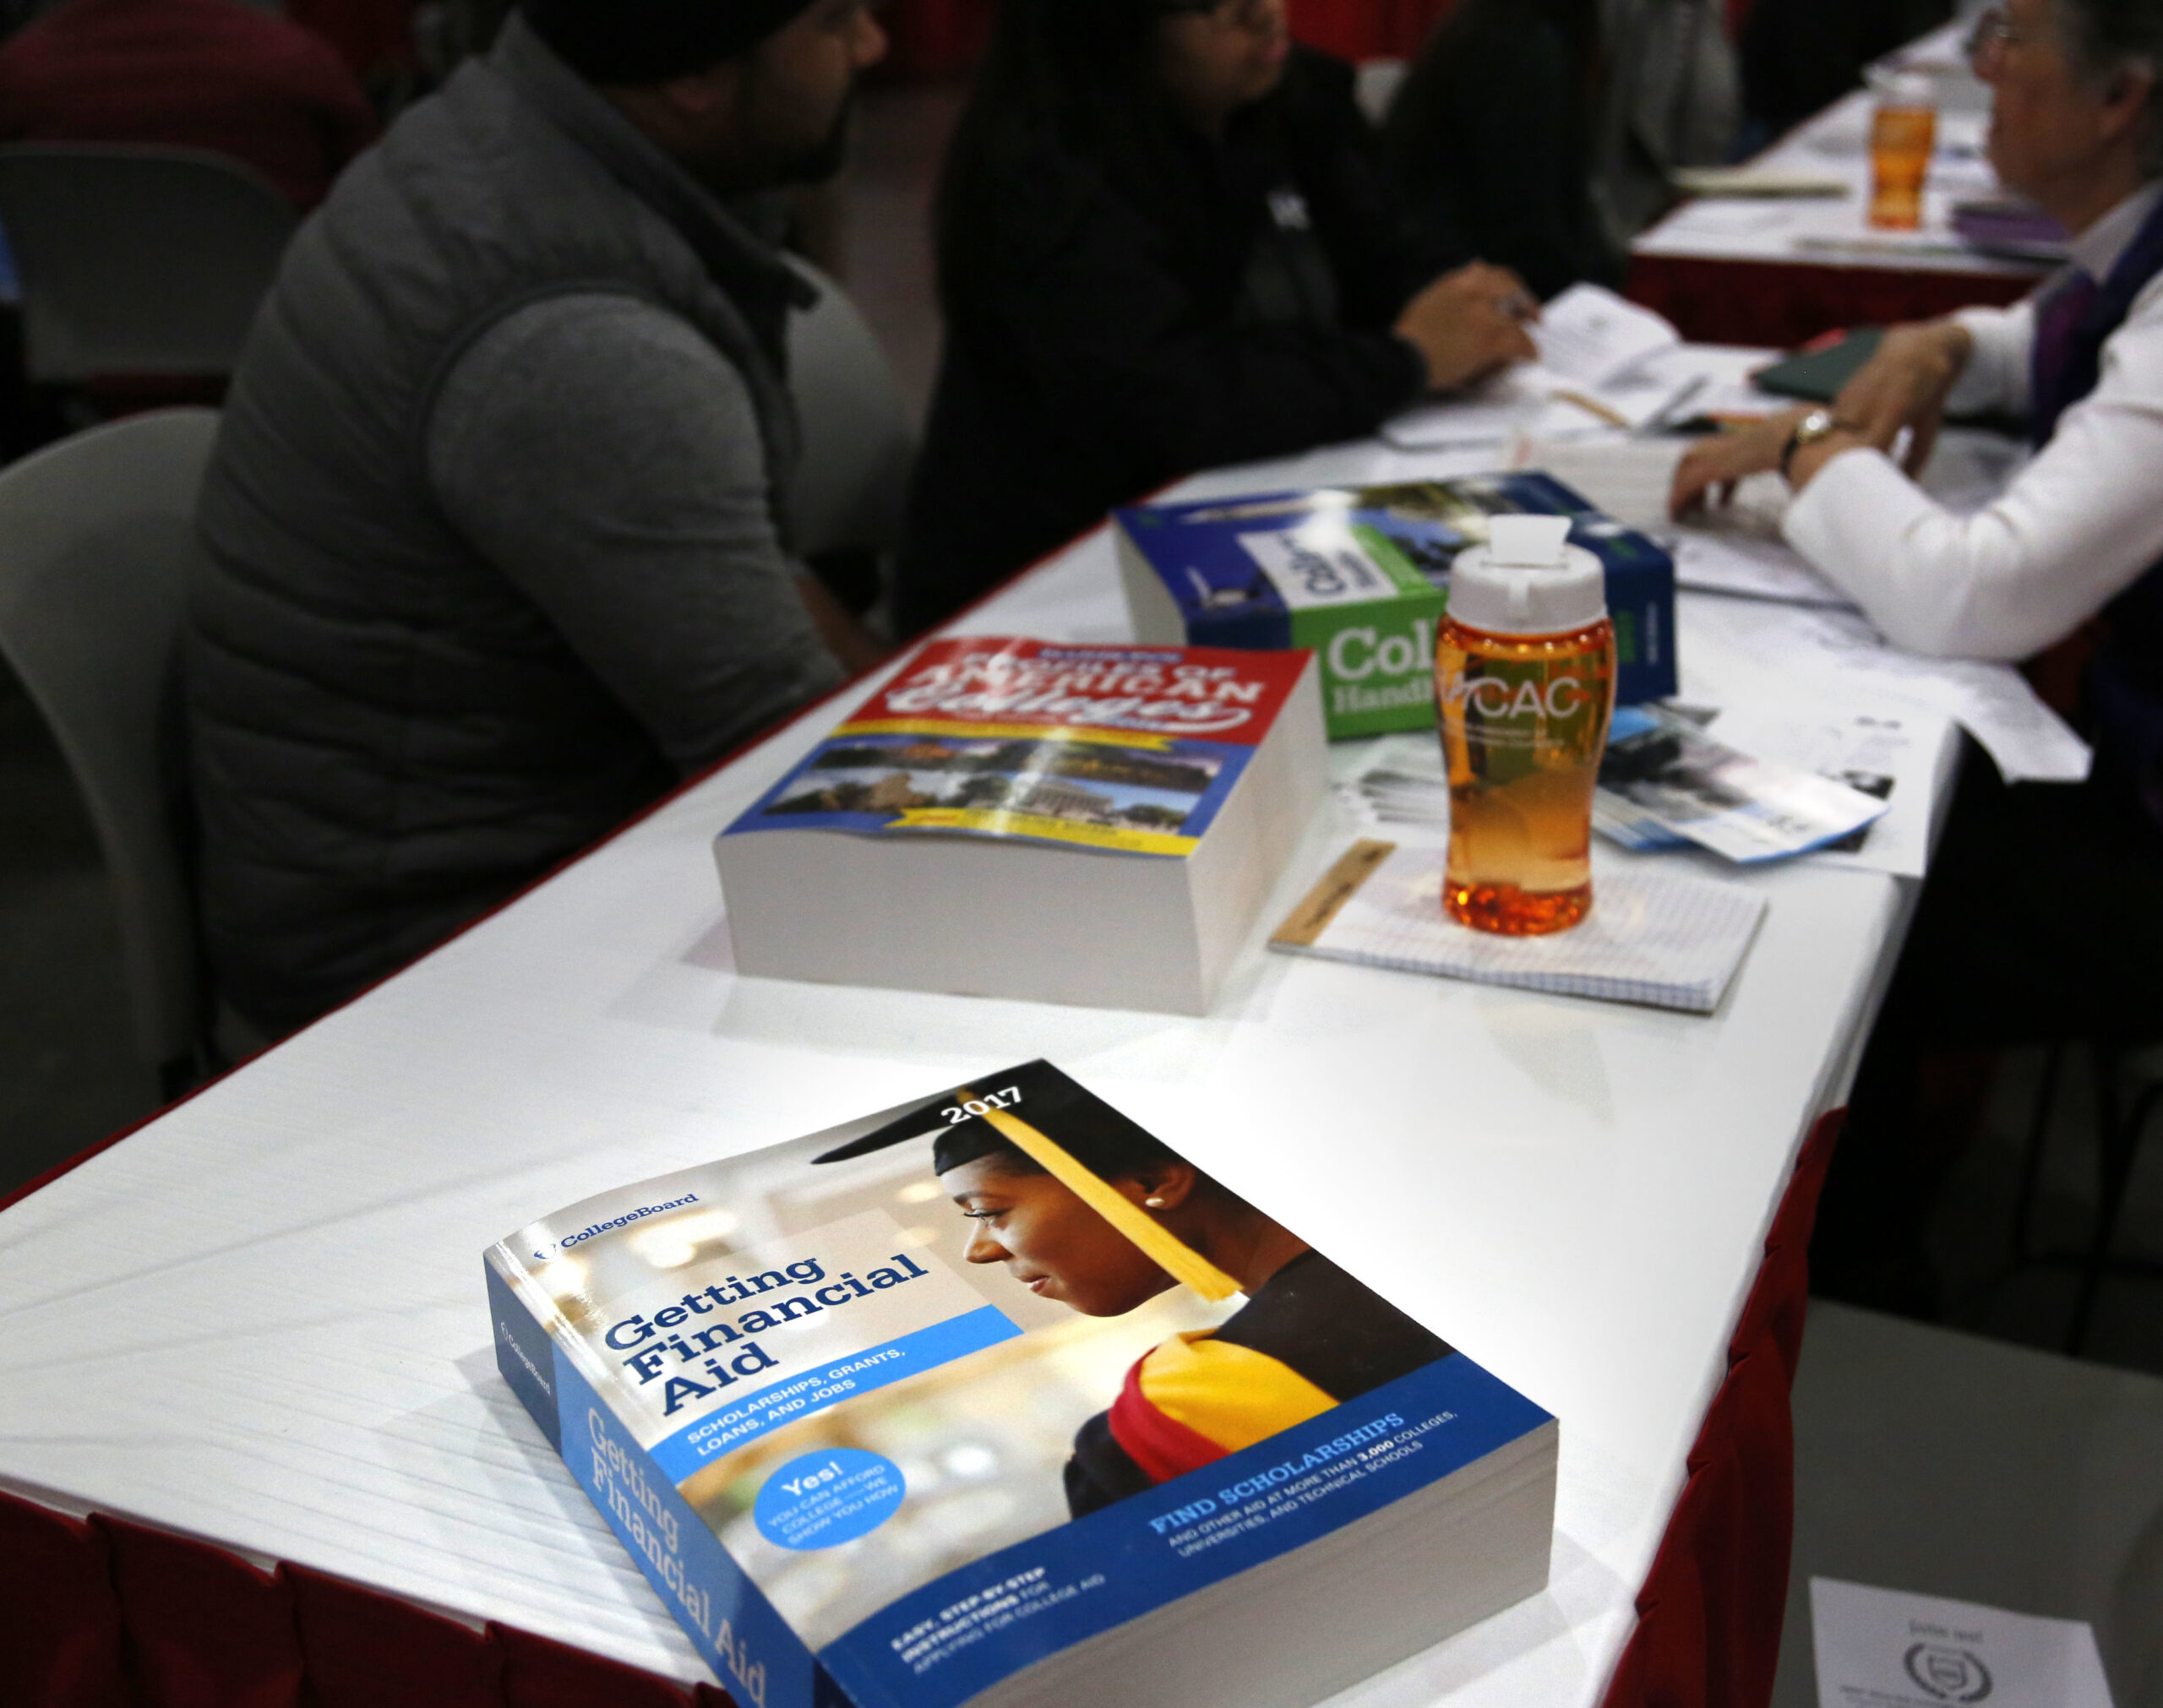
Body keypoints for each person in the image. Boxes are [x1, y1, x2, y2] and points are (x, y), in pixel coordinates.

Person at [186, 0, 889, 1036]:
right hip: (430, 967)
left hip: (459, 858)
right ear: (693, 75)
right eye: (833, 19)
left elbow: (757, 595)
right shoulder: (580, 344)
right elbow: (791, 765)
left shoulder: (507, 130)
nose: (872, 45)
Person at [1670, 0, 2163, 1309]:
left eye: (2013, 36)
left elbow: (1972, 593)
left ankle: (1861, 1275)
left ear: (2121, 101)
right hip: (2129, 753)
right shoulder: (2129, 254)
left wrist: (1803, 453)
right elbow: (2056, 331)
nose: (1978, 65)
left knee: (1838, 901)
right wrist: (1938, 337)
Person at [891, 0, 1540, 636]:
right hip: (1056, 589)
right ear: (1113, 28)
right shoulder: (1047, 174)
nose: (1263, 12)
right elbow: (1176, 400)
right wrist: (1409, 360)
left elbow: (1388, 259)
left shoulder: (1296, 94)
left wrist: (1465, 301)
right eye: (1212, 3)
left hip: (1261, 516)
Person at [814, 1062, 1452, 1517]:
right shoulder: (1436, 1246)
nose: (978, 1250)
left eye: (989, 1210)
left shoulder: (1179, 1415)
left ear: (1155, 1179)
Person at [0, 0, 379, 211]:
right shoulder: (298, 62)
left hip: (67, 334)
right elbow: (368, 207)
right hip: (268, 324)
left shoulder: (23, 70)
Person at [1380, 0, 1622, 300]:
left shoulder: (1509, 26)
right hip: (1462, 296)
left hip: (1472, 282)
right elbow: (1528, 238)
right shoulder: (1519, 45)